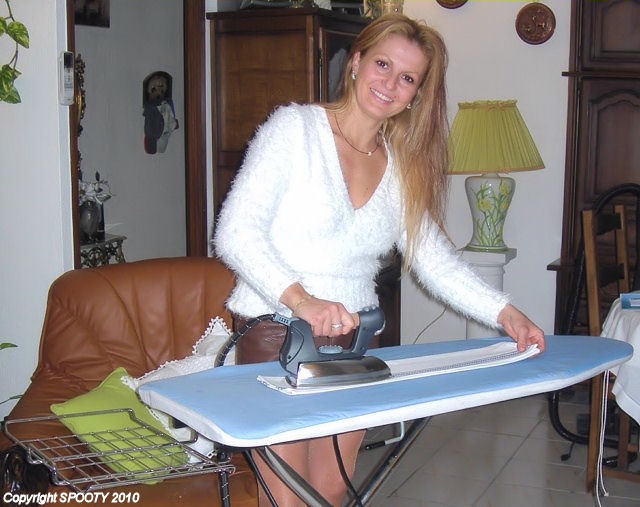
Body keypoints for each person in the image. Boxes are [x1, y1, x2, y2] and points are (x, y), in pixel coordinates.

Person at [213, 13, 545, 507]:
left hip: (354, 341)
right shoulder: (294, 130)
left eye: (407, 77)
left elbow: (434, 260)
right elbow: (235, 232)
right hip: (276, 332)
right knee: (286, 497)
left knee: (331, 490)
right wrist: (302, 300)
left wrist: (505, 313)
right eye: (383, 64)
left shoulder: (401, 166)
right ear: (356, 62)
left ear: (416, 94)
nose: (390, 83)